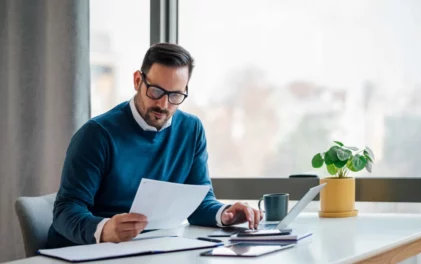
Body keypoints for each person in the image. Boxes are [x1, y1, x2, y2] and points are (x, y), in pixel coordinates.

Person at [46, 43, 262, 248]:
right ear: (138, 80)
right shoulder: (96, 135)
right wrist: (104, 229)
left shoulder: (191, 130)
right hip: (84, 252)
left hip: (148, 249)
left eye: (175, 95)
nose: (163, 104)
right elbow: (65, 211)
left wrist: (227, 213)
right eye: (156, 91)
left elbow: (199, 203)